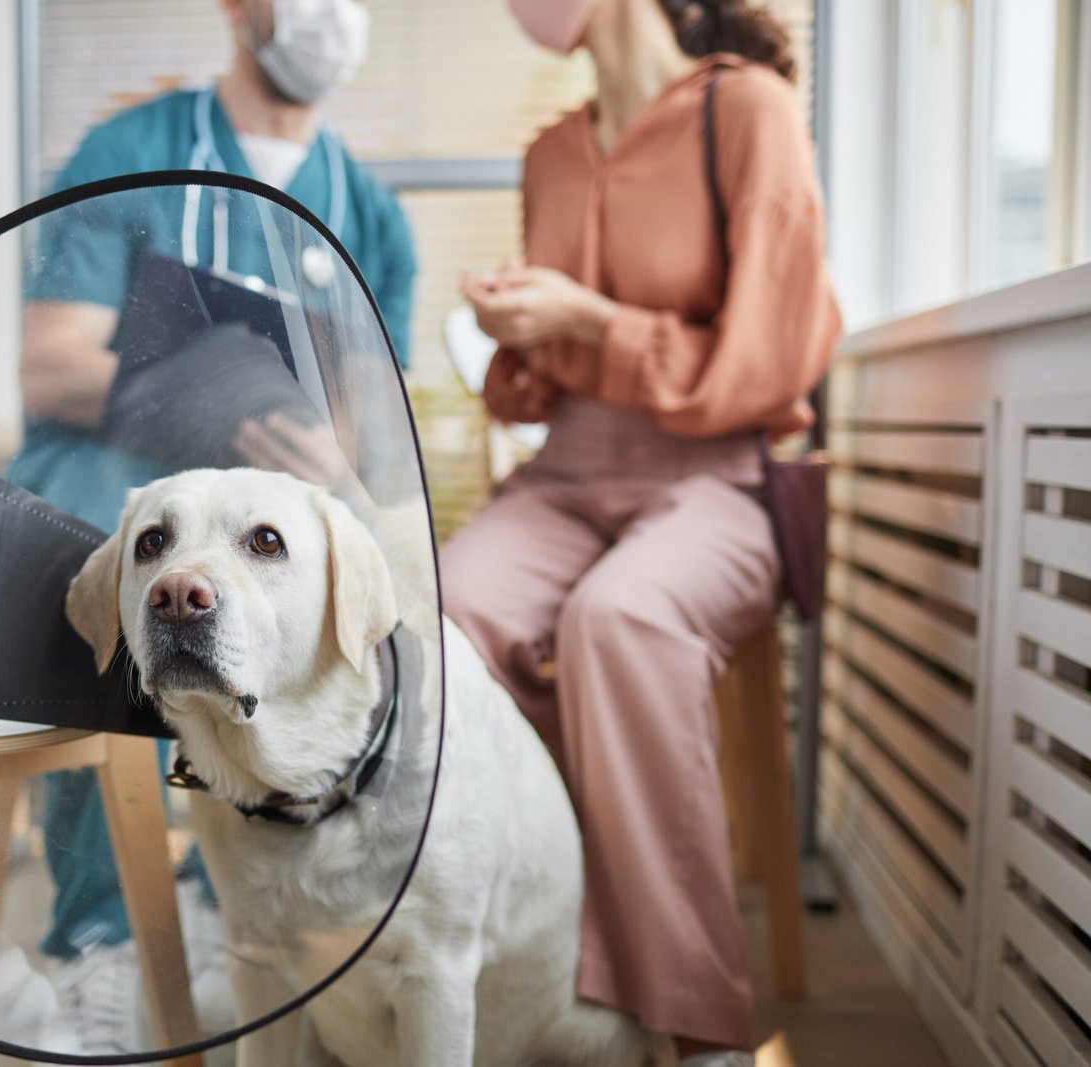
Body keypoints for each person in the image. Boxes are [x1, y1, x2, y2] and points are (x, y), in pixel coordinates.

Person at [6, 0, 417, 1049]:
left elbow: (378, 434)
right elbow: (53, 362)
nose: (334, 18)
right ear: (241, 11)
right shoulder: (130, 151)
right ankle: (102, 938)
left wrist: (332, 462)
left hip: (281, 502)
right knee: (105, 557)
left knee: (353, 558)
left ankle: (223, 897)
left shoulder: (369, 215)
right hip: (112, 472)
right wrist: (215, 403)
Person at [439, 1, 840, 1065]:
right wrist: (518, 329)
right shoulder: (550, 153)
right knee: (442, 614)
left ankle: (699, 1027)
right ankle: (542, 975)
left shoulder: (747, 113)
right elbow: (537, 391)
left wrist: (589, 319)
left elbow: (773, 358)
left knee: (618, 618)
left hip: (717, 474)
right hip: (569, 471)